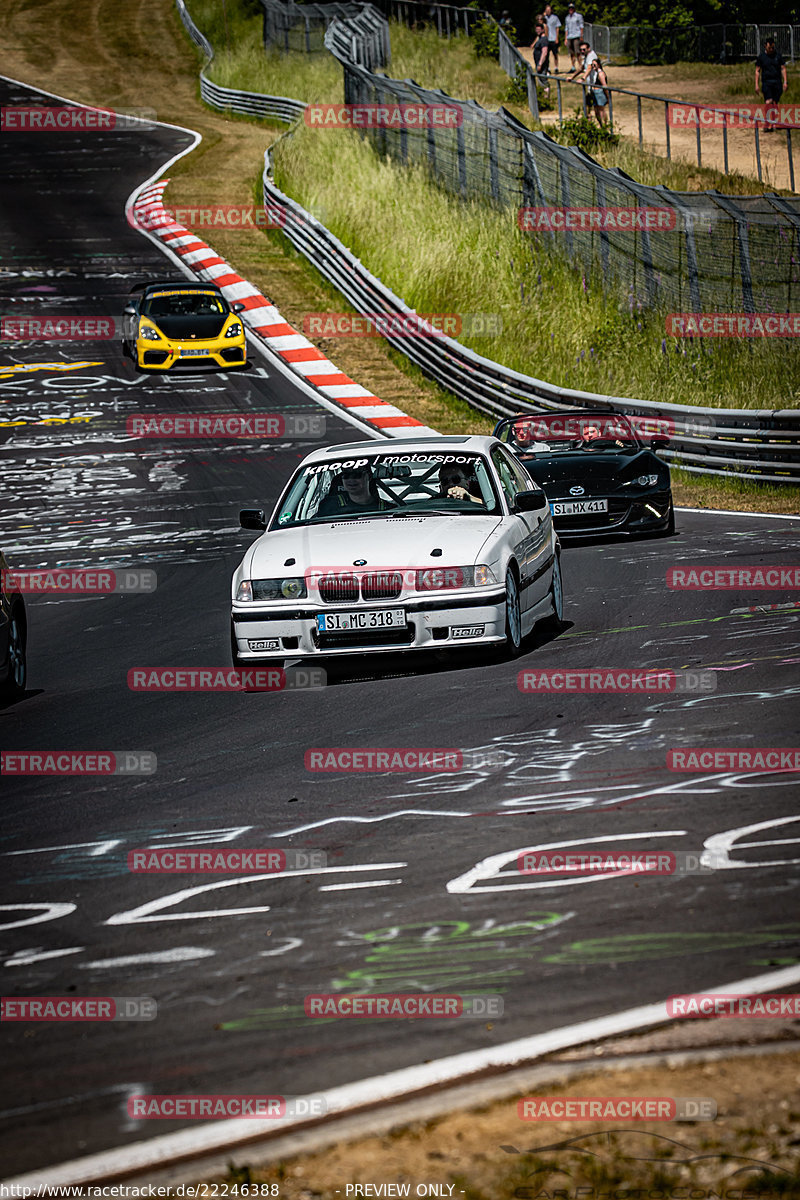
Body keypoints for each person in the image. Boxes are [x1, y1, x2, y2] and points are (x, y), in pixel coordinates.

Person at [316, 464, 392, 517]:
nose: (351, 480)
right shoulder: (328, 506)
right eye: (346, 475)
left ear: (369, 476)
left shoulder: (389, 509)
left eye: (357, 475)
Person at [755, 38, 788, 132]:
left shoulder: (778, 56)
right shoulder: (761, 57)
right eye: (770, 47)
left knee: (774, 103)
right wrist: (756, 85)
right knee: (768, 102)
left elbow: (783, 68)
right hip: (767, 82)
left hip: (777, 82)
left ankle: (774, 122)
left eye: (773, 47)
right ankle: (767, 122)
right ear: (765, 46)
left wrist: (785, 81)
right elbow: (757, 71)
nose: (771, 50)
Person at [532, 21, 551, 98]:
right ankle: (542, 96)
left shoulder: (544, 40)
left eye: (539, 29)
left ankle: (546, 96)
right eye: (536, 30)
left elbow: (544, 52)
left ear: (543, 30)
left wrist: (540, 64)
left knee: (543, 79)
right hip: (538, 63)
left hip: (542, 64)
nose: (537, 31)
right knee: (540, 79)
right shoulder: (539, 39)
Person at [564, 2, 584, 71]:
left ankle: (580, 66)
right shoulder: (567, 18)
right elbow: (566, 28)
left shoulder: (578, 16)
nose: (570, 9)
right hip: (569, 36)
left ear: (574, 9)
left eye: (572, 8)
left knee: (578, 52)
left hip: (576, 36)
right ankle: (573, 66)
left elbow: (581, 26)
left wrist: (581, 35)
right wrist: (565, 38)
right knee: (571, 53)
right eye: (569, 8)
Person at [543, 3, 561, 72]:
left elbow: (557, 28)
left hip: (553, 38)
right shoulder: (544, 18)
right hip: (547, 39)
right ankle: (548, 68)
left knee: (555, 54)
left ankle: (556, 67)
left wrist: (557, 37)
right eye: (546, 10)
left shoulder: (555, 18)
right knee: (546, 54)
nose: (548, 11)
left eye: (549, 10)